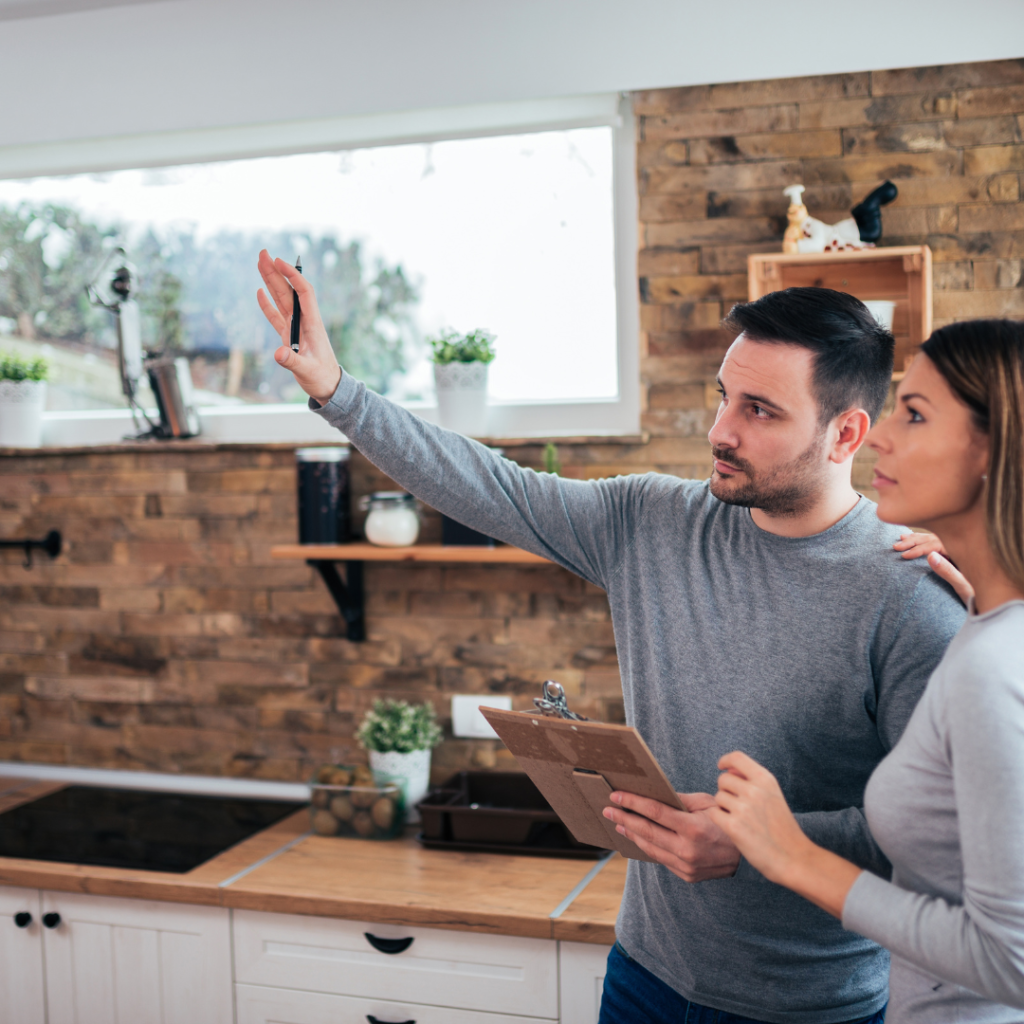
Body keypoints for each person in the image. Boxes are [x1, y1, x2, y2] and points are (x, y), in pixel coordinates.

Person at [256, 250, 965, 1024]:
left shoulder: (911, 596)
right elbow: (490, 486)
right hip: (644, 977)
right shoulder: (650, 521)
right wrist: (336, 389)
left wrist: (760, 843)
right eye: (724, 397)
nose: (719, 431)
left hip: (809, 1007)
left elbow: (940, 833)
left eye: (760, 410)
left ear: (846, 433)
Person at [702, 319, 1024, 1023]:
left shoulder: (991, 662)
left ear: (993, 453)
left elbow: (1014, 962)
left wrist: (791, 855)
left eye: (913, 414)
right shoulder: (984, 625)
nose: (878, 435)